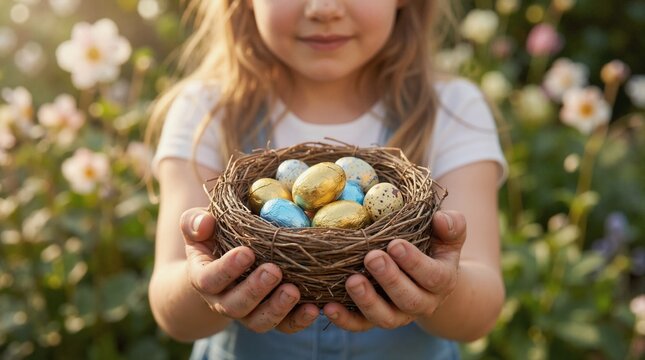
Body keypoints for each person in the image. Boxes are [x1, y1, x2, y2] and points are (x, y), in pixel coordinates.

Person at [146, 0, 508, 359]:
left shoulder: (453, 111)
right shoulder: (205, 113)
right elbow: (171, 310)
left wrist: (438, 288)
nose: (323, 9)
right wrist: (206, 286)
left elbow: (482, 309)